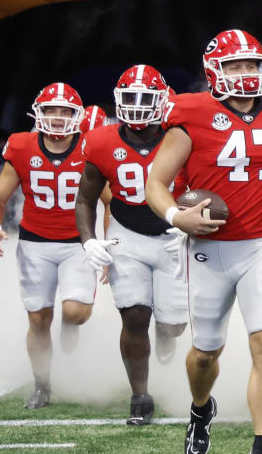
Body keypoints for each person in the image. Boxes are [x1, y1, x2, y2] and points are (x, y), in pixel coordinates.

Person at [145, 30, 262, 454]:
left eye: (251, 65)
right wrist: (177, 216)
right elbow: (156, 180)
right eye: (234, 66)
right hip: (209, 248)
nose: (245, 74)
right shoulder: (190, 113)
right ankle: (200, 409)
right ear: (215, 71)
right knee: (206, 354)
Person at [75, 65, 189, 427]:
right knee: (135, 314)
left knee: (172, 325)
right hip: (128, 233)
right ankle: (140, 395)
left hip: (174, 236)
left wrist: (192, 220)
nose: (138, 107)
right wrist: (88, 240)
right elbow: (85, 198)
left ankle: (166, 335)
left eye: (146, 98)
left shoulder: (181, 135)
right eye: (131, 98)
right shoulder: (102, 140)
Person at [0, 84, 96, 410]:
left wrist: (109, 243)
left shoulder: (90, 147)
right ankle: (42, 384)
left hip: (78, 242)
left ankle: (70, 324)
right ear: (39, 113)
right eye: (52, 110)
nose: (58, 117)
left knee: (76, 312)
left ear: (77, 116)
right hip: (35, 242)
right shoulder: (21, 146)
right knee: (37, 319)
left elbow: (110, 201)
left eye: (65, 111)